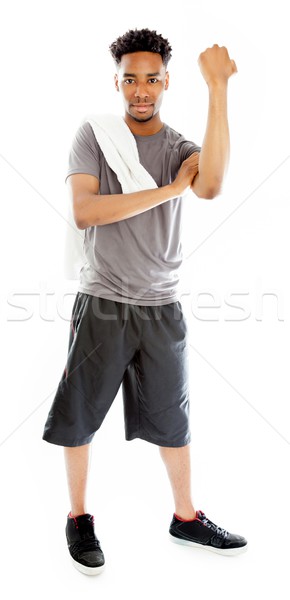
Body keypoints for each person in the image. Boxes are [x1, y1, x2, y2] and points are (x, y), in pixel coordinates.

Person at [42, 28, 247, 575]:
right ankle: (78, 518)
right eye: (130, 79)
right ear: (117, 81)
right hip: (103, 299)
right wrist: (167, 191)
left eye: (151, 79)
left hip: (162, 305)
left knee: (173, 419)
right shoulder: (93, 136)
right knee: (80, 415)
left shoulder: (181, 146)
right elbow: (87, 211)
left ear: (166, 82)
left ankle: (185, 517)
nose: (140, 90)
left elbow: (212, 185)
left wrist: (218, 89)